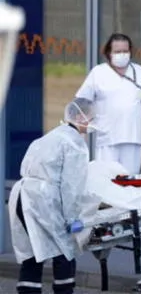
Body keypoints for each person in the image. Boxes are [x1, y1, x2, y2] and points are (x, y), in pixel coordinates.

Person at [8, 98, 96, 294]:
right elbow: (71, 186)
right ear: (80, 117)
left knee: (32, 252)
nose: (91, 122)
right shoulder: (75, 144)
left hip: (22, 195)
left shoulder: (49, 137)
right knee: (65, 249)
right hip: (44, 200)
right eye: (90, 117)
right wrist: (72, 218)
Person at [75, 33, 141, 175]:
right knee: (107, 182)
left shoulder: (139, 72)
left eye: (125, 51)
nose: (122, 54)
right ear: (109, 53)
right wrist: (82, 133)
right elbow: (82, 102)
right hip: (107, 139)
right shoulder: (98, 72)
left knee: (130, 183)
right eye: (117, 51)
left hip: (133, 138)